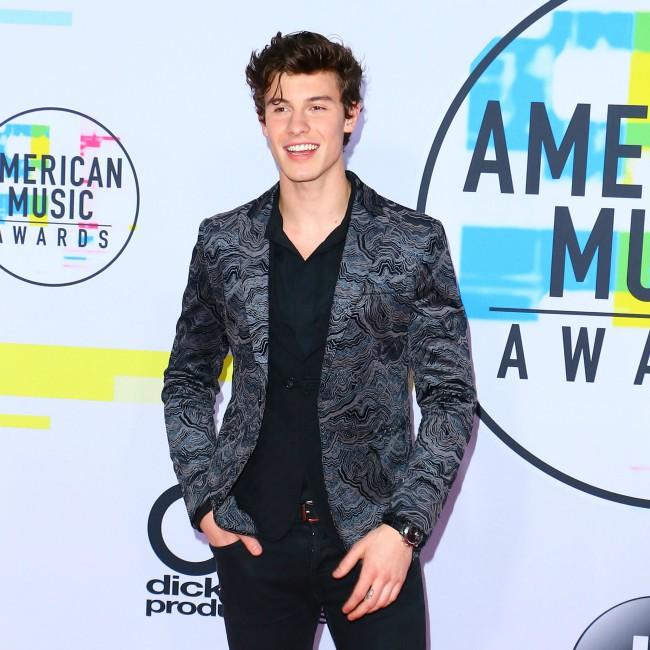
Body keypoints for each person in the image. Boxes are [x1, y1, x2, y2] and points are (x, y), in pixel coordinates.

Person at [161, 30, 476, 650]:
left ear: (350, 115)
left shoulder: (412, 242)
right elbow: (187, 380)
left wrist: (404, 530)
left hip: (373, 541)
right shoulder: (224, 242)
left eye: (318, 105)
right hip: (254, 540)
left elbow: (450, 398)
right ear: (263, 121)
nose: (298, 126)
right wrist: (205, 498)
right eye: (281, 107)